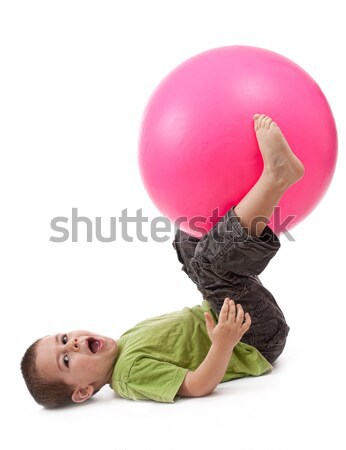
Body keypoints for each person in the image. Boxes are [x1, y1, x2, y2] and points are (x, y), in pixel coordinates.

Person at [21, 114, 305, 407]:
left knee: (188, 240)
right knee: (210, 265)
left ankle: (246, 196)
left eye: (64, 338)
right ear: (82, 391)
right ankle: (276, 176)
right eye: (66, 359)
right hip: (252, 339)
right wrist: (223, 344)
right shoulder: (129, 376)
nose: (74, 343)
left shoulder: (125, 341)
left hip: (230, 320)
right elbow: (196, 386)